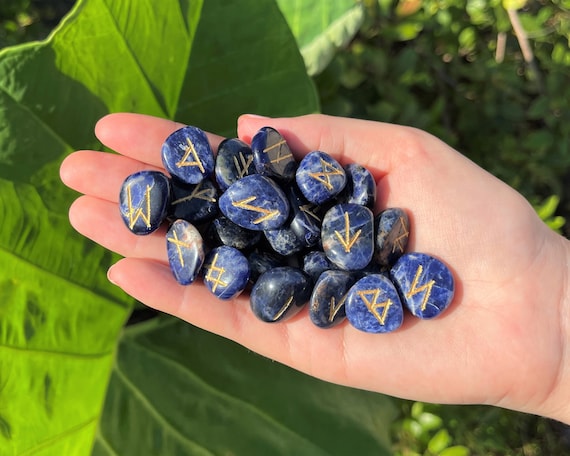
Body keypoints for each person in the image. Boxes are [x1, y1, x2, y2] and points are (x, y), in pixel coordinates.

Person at [59, 113, 570, 425]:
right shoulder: (229, 206)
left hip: (326, 258)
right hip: (294, 253)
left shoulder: (345, 236)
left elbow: (298, 223)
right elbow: (268, 217)